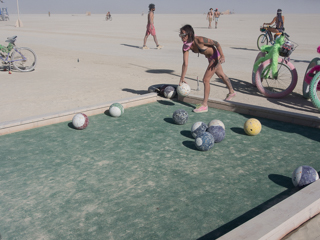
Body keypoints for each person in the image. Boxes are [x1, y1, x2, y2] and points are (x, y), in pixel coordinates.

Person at [178, 25, 236, 113]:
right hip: (209, 58)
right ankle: (232, 91)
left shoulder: (200, 40)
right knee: (221, 75)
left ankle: (205, 105)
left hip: (215, 57)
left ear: (189, 34)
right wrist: (182, 78)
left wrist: (222, 55)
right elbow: (185, 63)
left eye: (183, 35)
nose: (181, 37)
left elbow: (217, 43)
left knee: (206, 80)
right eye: (180, 35)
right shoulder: (186, 47)